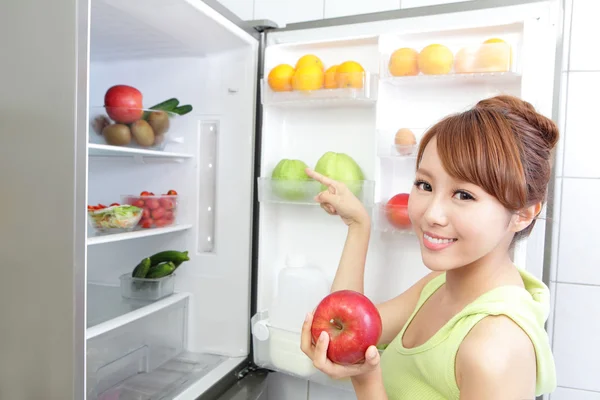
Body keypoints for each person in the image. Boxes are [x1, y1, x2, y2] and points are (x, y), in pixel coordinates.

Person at [299, 95, 558, 400]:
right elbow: (346, 328)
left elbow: (358, 356)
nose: (431, 214)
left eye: (463, 195)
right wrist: (359, 226)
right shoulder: (439, 285)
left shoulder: (494, 348)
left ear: (524, 214)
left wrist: (367, 381)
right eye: (425, 185)